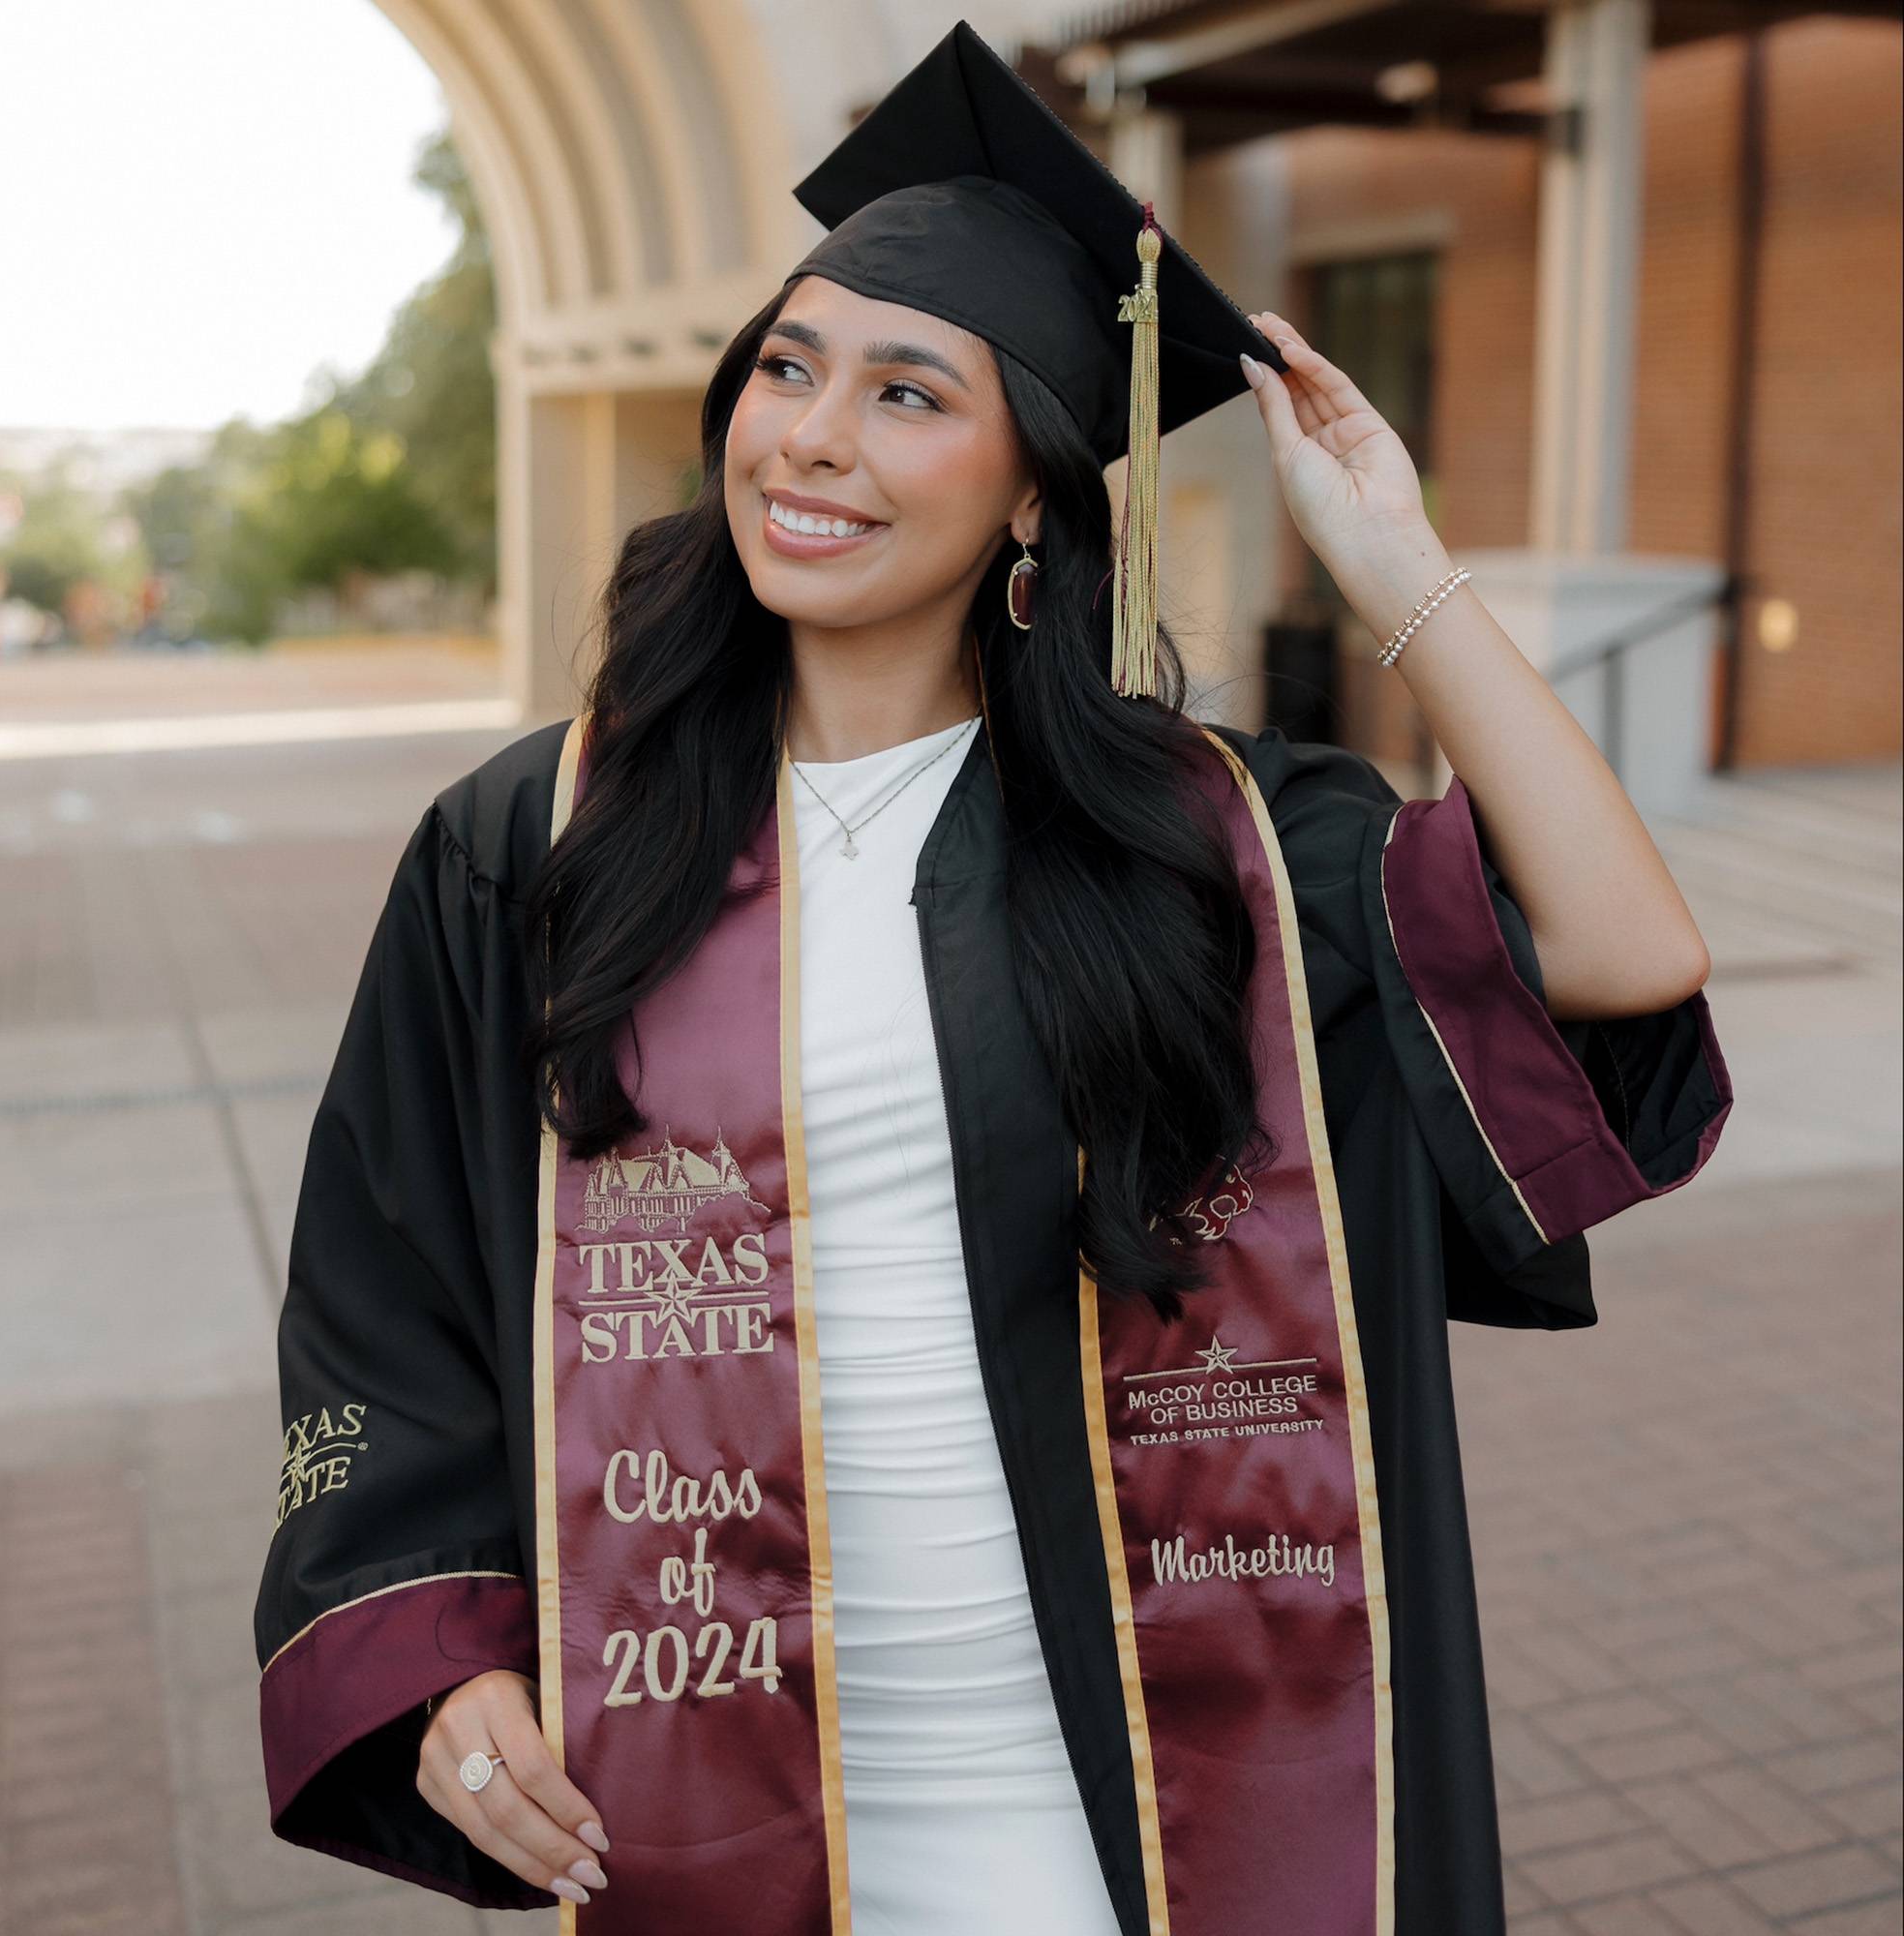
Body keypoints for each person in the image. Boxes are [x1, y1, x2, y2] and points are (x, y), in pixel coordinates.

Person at [253, 20, 1732, 1936]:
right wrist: (441, 1655)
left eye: (904, 393)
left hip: (1138, 1796)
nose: (812, 437)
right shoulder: (534, 843)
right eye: (786, 367)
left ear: (1036, 488)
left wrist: (1404, 572)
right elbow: (384, 1307)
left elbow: (1625, 955)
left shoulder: (1214, 858)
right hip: (707, 1789)